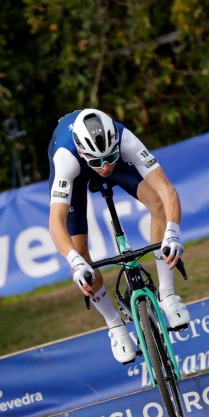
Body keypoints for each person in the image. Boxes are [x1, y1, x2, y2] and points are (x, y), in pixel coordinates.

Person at [48, 108, 190, 364]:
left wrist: (173, 232)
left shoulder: (125, 138)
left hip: (109, 158)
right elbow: (55, 222)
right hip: (77, 174)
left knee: (158, 204)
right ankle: (115, 326)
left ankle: (167, 295)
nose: (104, 167)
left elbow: (167, 190)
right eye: (97, 162)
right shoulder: (66, 158)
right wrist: (74, 262)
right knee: (81, 257)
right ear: (81, 152)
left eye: (110, 158)